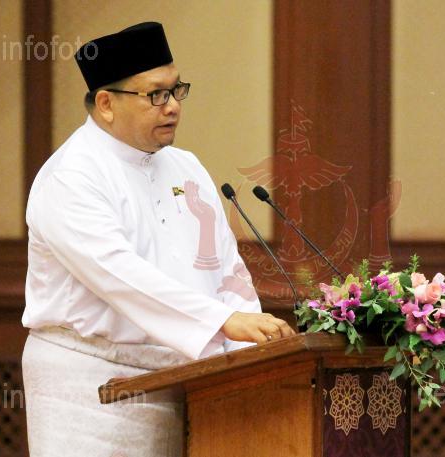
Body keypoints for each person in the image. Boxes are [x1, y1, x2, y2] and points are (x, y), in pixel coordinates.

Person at [21, 22, 294, 457]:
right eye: (156, 95)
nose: (173, 107)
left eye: (176, 90)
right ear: (106, 104)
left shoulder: (185, 166)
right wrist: (222, 322)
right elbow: (119, 275)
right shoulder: (71, 176)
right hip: (90, 387)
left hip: (186, 382)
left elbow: (226, 270)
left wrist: (251, 348)